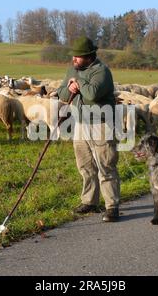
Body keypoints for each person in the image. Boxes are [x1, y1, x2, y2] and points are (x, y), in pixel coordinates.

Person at [57, 36, 121, 222]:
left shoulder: (101, 71)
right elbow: (62, 93)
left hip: (101, 123)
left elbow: (92, 94)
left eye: (78, 56)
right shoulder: (73, 69)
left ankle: (112, 207)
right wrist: (71, 86)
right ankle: (90, 201)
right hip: (80, 123)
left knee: (105, 165)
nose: (74, 59)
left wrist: (77, 83)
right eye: (74, 56)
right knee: (85, 165)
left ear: (89, 56)